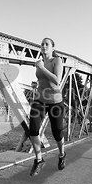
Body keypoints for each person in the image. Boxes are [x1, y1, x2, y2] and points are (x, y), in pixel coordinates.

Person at [28, 37, 66, 176]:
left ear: (52, 48)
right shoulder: (39, 62)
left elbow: (57, 80)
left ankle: (62, 154)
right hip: (40, 100)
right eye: (42, 44)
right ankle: (39, 159)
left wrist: (42, 68)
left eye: (47, 44)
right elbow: (41, 80)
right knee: (33, 128)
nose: (44, 46)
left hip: (55, 101)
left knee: (57, 132)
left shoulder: (56, 61)